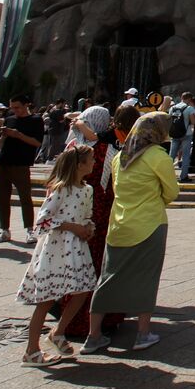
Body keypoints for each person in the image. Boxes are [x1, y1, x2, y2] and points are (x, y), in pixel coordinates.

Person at [81, 113, 180, 355]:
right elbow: (171, 192)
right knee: (146, 278)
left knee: (107, 279)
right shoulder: (158, 156)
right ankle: (143, 334)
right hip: (149, 223)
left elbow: (116, 189)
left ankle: (93, 335)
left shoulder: (120, 157)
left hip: (118, 225)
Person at [17, 145, 98, 365]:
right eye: (91, 160)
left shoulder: (87, 189)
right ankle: (31, 350)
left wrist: (88, 227)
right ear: (79, 164)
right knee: (47, 299)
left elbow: (87, 215)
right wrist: (72, 227)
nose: (94, 163)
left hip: (77, 248)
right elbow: (42, 220)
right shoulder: (61, 189)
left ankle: (58, 332)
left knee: (82, 290)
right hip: (56, 248)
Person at [59, 105, 120, 339]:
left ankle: (69, 320)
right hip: (99, 219)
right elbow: (114, 188)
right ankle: (100, 320)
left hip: (69, 220)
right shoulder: (108, 152)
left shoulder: (71, 148)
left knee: (73, 267)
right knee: (96, 267)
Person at [0, 94, 45, 244]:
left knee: (25, 198)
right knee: (2, 198)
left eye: (17, 107)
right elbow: (0, 145)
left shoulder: (36, 120)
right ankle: (5, 230)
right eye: (12, 107)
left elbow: (37, 142)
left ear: (26, 105)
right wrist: (3, 136)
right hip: (3, 162)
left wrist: (18, 135)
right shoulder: (10, 119)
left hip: (21, 164)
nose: (14, 110)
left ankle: (29, 230)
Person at [167, 92, 195, 183]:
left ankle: (166, 176)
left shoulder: (173, 108)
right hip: (186, 135)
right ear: (189, 99)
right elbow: (193, 122)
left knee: (171, 156)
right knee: (186, 155)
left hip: (174, 134)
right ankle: (183, 177)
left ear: (181, 98)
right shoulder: (189, 108)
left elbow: (169, 120)